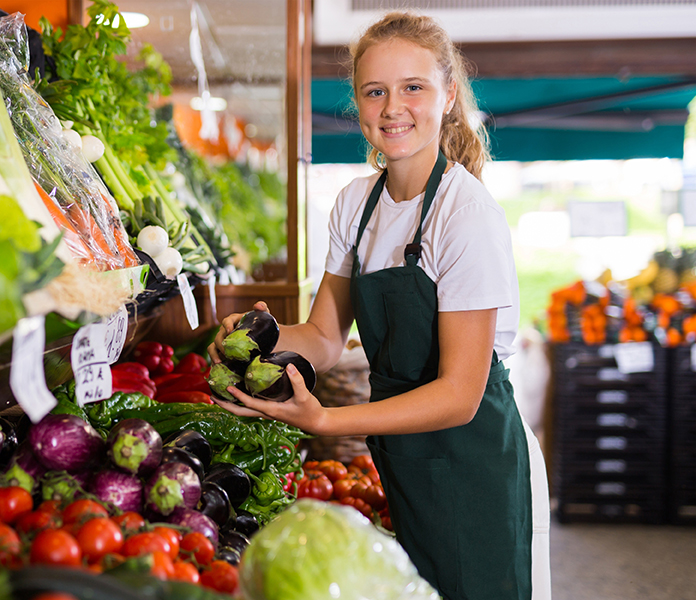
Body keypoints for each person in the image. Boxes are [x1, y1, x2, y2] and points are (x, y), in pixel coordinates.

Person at [208, 10, 551, 600]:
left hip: (473, 463)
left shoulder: (465, 215)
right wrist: (258, 336)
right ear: (359, 105)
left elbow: (460, 393)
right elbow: (323, 336)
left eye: (412, 87)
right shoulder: (355, 205)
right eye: (376, 91)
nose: (393, 107)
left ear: (447, 97)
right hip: (402, 451)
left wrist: (328, 421)